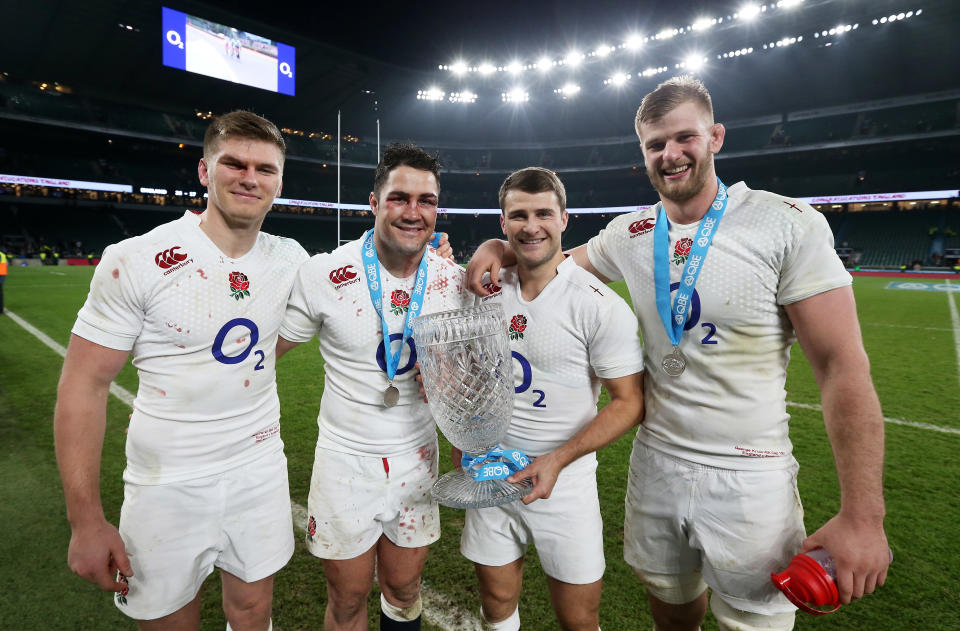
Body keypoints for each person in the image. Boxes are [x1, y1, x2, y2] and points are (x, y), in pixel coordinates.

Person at [465, 76, 890, 631]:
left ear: (715, 137)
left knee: (752, 619)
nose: (670, 154)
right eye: (654, 144)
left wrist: (864, 514)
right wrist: (496, 244)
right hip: (656, 460)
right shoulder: (631, 233)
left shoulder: (785, 223)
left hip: (749, 469)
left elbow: (842, 367)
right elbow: (548, 261)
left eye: (684, 137)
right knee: (669, 603)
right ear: (643, 152)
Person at [54, 110, 308, 631]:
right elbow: (84, 384)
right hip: (166, 483)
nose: (249, 177)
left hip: (259, 470)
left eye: (265, 169)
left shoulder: (290, 259)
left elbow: (280, 334)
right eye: (233, 163)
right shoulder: (137, 259)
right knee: (169, 621)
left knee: (255, 610)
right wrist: (84, 520)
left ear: (279, 182)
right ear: (203, 171)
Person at [277, 143, 472, 631]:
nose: (413, 212)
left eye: (426, 200)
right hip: (345, 463)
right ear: (373, 201)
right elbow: (264, 355)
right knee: (347, 600)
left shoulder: (454, 281)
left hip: (417, 461)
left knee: (404, 591)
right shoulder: (325, 274)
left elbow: (472, 374)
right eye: (399, 198)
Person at [459, 167, 644, 631]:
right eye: (518, 215)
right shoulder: (485, 292)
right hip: (492, 475)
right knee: (496, 601)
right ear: (503, 224)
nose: (531, 225)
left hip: (566, 483)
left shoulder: (597, 304)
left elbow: (628, 402)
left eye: (543, 213)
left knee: (578, 618)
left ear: (565, 218)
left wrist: (558, 459)